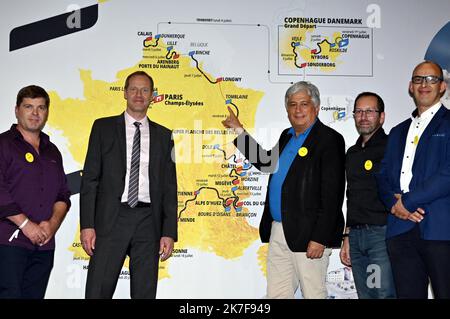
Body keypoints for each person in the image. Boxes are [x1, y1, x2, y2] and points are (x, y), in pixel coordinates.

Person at [222, 81, 345, 299]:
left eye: (304, 104)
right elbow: (266, 162)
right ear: (287, 110)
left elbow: (333, 195)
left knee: (313, 294)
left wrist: (320, 237)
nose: (298, 110)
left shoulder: (329, 140)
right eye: (292, 104)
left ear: (315, 108)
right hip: (279, 231)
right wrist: (239, 130)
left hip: (310, 235)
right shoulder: (287, 136)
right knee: (276, 296)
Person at [80, 71, 177, 299]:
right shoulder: (102, 128)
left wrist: (168, 232)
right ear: (124, 93)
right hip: (111, 220)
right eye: (133, 89)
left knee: (144, 293)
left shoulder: (165, 136)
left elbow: (169, 188)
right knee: (98, 290)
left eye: (145, 90)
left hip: (148, 223)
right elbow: (90, 179)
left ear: (153, 96)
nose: (139, 95)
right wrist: (87, 225)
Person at [376, 61, 450, 298]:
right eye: (418, 79)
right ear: (410, 86)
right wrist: (395, 206)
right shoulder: (397, 131)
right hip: (400, 229)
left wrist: (407, 202)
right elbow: (383, 176)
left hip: (441, 229)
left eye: (431, 79)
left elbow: (447, 174)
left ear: (442, 87)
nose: (424, 84)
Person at [0, 85, 71, 298]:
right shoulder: (3, 144)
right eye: (29, 107)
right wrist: (26, 225)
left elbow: (62, 195)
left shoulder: (52, 150)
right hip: (8, 242)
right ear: (16, 110)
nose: (35, 113)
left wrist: (52, 225)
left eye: (41, 107)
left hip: (44, 246)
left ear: (47, 112)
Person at [339, 92, 396, 298]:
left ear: (381, 117)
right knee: (366, 295)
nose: (363, 116)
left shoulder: (392, 148)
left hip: (380, 236)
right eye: (359, 111)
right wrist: (346, 236)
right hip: (355, 237)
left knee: (383, 293)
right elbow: (351, 196)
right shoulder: (352, 153)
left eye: (370, 111)